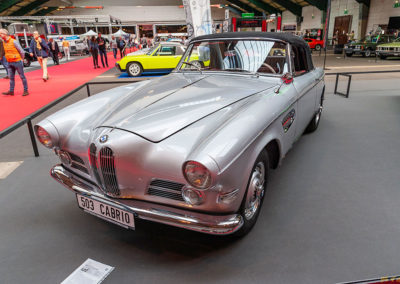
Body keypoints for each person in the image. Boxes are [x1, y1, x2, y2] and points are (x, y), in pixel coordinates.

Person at [0, 29, 29, 96]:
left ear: (5, 34)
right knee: (11, 77)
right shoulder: (4, 42)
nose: (0, 35)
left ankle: (25, 90)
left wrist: (22, 59)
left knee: (22, 77)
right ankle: (11, 91)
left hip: (17, 62)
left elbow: (22, 51)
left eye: (1, 34)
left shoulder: (14, 41)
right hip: (9, 62)